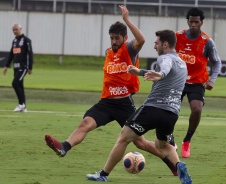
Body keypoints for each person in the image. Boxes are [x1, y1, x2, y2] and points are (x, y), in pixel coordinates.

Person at [44, 5, 177, 176]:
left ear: (124, 38)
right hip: (106, 103)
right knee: (85, 124)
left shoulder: (129, 49)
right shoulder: (109, 52)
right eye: (111, 38)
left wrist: (127, 20)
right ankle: (64, 147)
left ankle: (171, 161)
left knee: (141, 143)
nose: (114, 41)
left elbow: (141, 40)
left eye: (117, 38)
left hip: (124, 104)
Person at [86, 29, 192, 184]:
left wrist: (160, 74)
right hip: (172, 114)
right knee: (161, 145)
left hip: (153, 109)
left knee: (123, 137)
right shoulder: (182, 63)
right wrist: (139, 72)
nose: (155, 47)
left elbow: (165, 69)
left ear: (165, 44)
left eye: (156, 43)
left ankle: (103, 174)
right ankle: (179, 165)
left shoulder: (164, 58)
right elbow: (163, 74)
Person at [171, 7, 222, 158]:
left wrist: (212, 80)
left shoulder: (207, 42)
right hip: (177, 80)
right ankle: (169, 138)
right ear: (187, 21)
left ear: (201, 23)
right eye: (191, 21)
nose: (193, 25)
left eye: (196, 22)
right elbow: (166, 53)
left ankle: (187, 141)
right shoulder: (177, 37)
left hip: (197, 81)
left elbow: (217, 63)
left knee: (197, 109)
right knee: (170, 110)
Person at [2, 23, 33, 112]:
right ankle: (24, 107)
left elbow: (30, 54)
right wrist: (6, 66)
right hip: (16, 67)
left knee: (15, 83)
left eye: (16, 29)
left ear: (20, 29)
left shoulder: (27, 40)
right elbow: (11, 53)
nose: (15, 31)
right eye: (13, 30)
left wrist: (30, 67)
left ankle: (21, 104)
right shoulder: (15, 41)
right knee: (20, 85)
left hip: (23, 67)